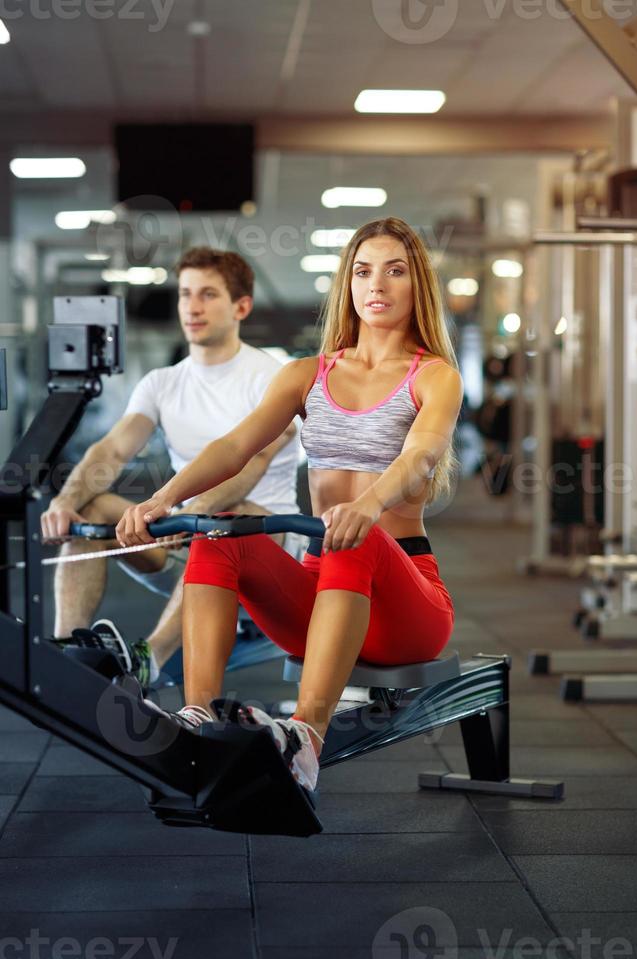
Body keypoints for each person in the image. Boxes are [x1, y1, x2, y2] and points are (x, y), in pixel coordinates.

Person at [116, 218, 464, 792]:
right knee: (221, 533)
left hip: (407, 608)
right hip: (319, 596)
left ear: (416, 286)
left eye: (394, 271)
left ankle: (305, 738)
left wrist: (369, 505)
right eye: (363, 271)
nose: (377, 284)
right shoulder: (308, 374)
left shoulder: (435, 376)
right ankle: (197, 715)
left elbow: (421, 459)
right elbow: (234, 446)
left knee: (351, 535)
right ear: (347, 286)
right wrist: (160, 499)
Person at [41, 247, 299, 684]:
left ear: (242, 306)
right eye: (184, 294)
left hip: (263, 547)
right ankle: (67, 653)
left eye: (208, 294)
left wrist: (186, 512)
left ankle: (151, 656)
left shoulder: (273, 379)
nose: (192, 307)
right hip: (183, 540)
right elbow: (111, 450)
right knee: (93, 508)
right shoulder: (162, 383)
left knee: (230, 518)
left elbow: (252, 462)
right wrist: (65, 502)